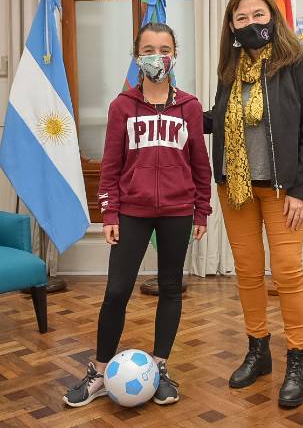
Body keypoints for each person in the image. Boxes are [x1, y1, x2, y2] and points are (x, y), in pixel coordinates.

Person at [63, 23, 212, 408]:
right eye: (148, 49)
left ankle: (159, 367)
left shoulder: (190, 107)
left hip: (179, 211)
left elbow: (200, 163)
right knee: (116, 292)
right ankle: (98, 370)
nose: (156, 56)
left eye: (164, 49)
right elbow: (111, 164)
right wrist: (109, 212)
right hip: (131, 211)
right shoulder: (121, 107)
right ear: (136, 57)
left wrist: (202, 210)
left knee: (170, 288)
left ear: (174, 54)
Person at [204, 0, 303, 407]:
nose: (251, 23)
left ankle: (298, 358)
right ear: (232, 28)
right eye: (241, 18)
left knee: (288, 272)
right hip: (234, 186)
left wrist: (302, 190)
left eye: (258, 15)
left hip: (281, 188)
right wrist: (172, 111)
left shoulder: (297, 61)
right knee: (248, 271)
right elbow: (218, 120)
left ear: (272, 17)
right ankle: (258, 351)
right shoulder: (229, 69)